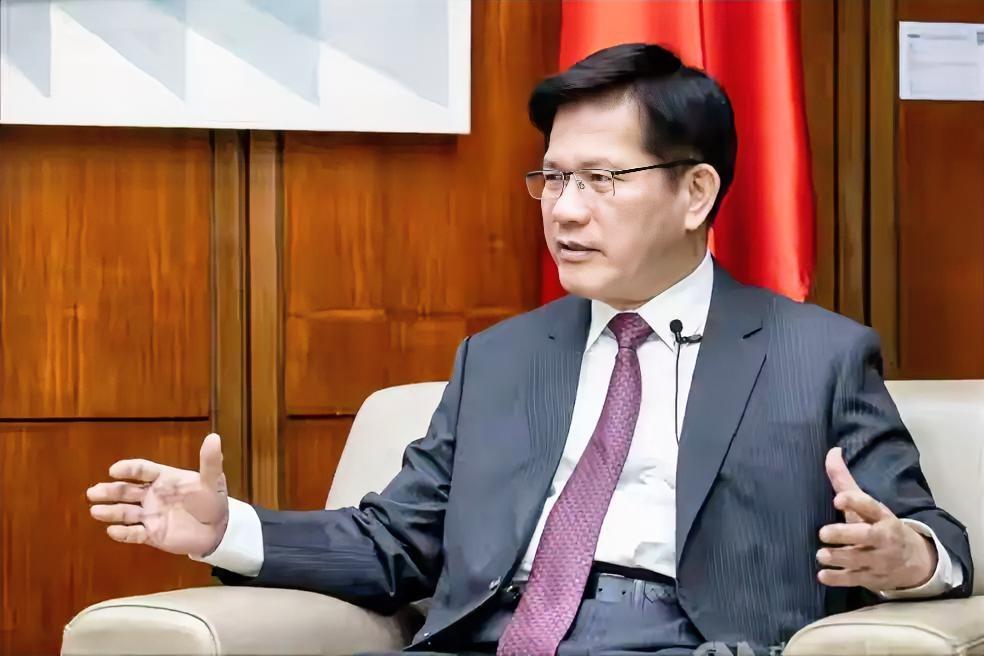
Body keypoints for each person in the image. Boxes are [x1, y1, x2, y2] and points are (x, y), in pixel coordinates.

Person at [86, 43, 973, 655]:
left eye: (601, 179)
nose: (564, 209)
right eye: (552, 177)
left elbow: (937, 538)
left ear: (697, 192)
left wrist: (907, 558)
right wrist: (229, 530)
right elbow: (396, 544)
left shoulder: (815, 355)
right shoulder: (501, 358)